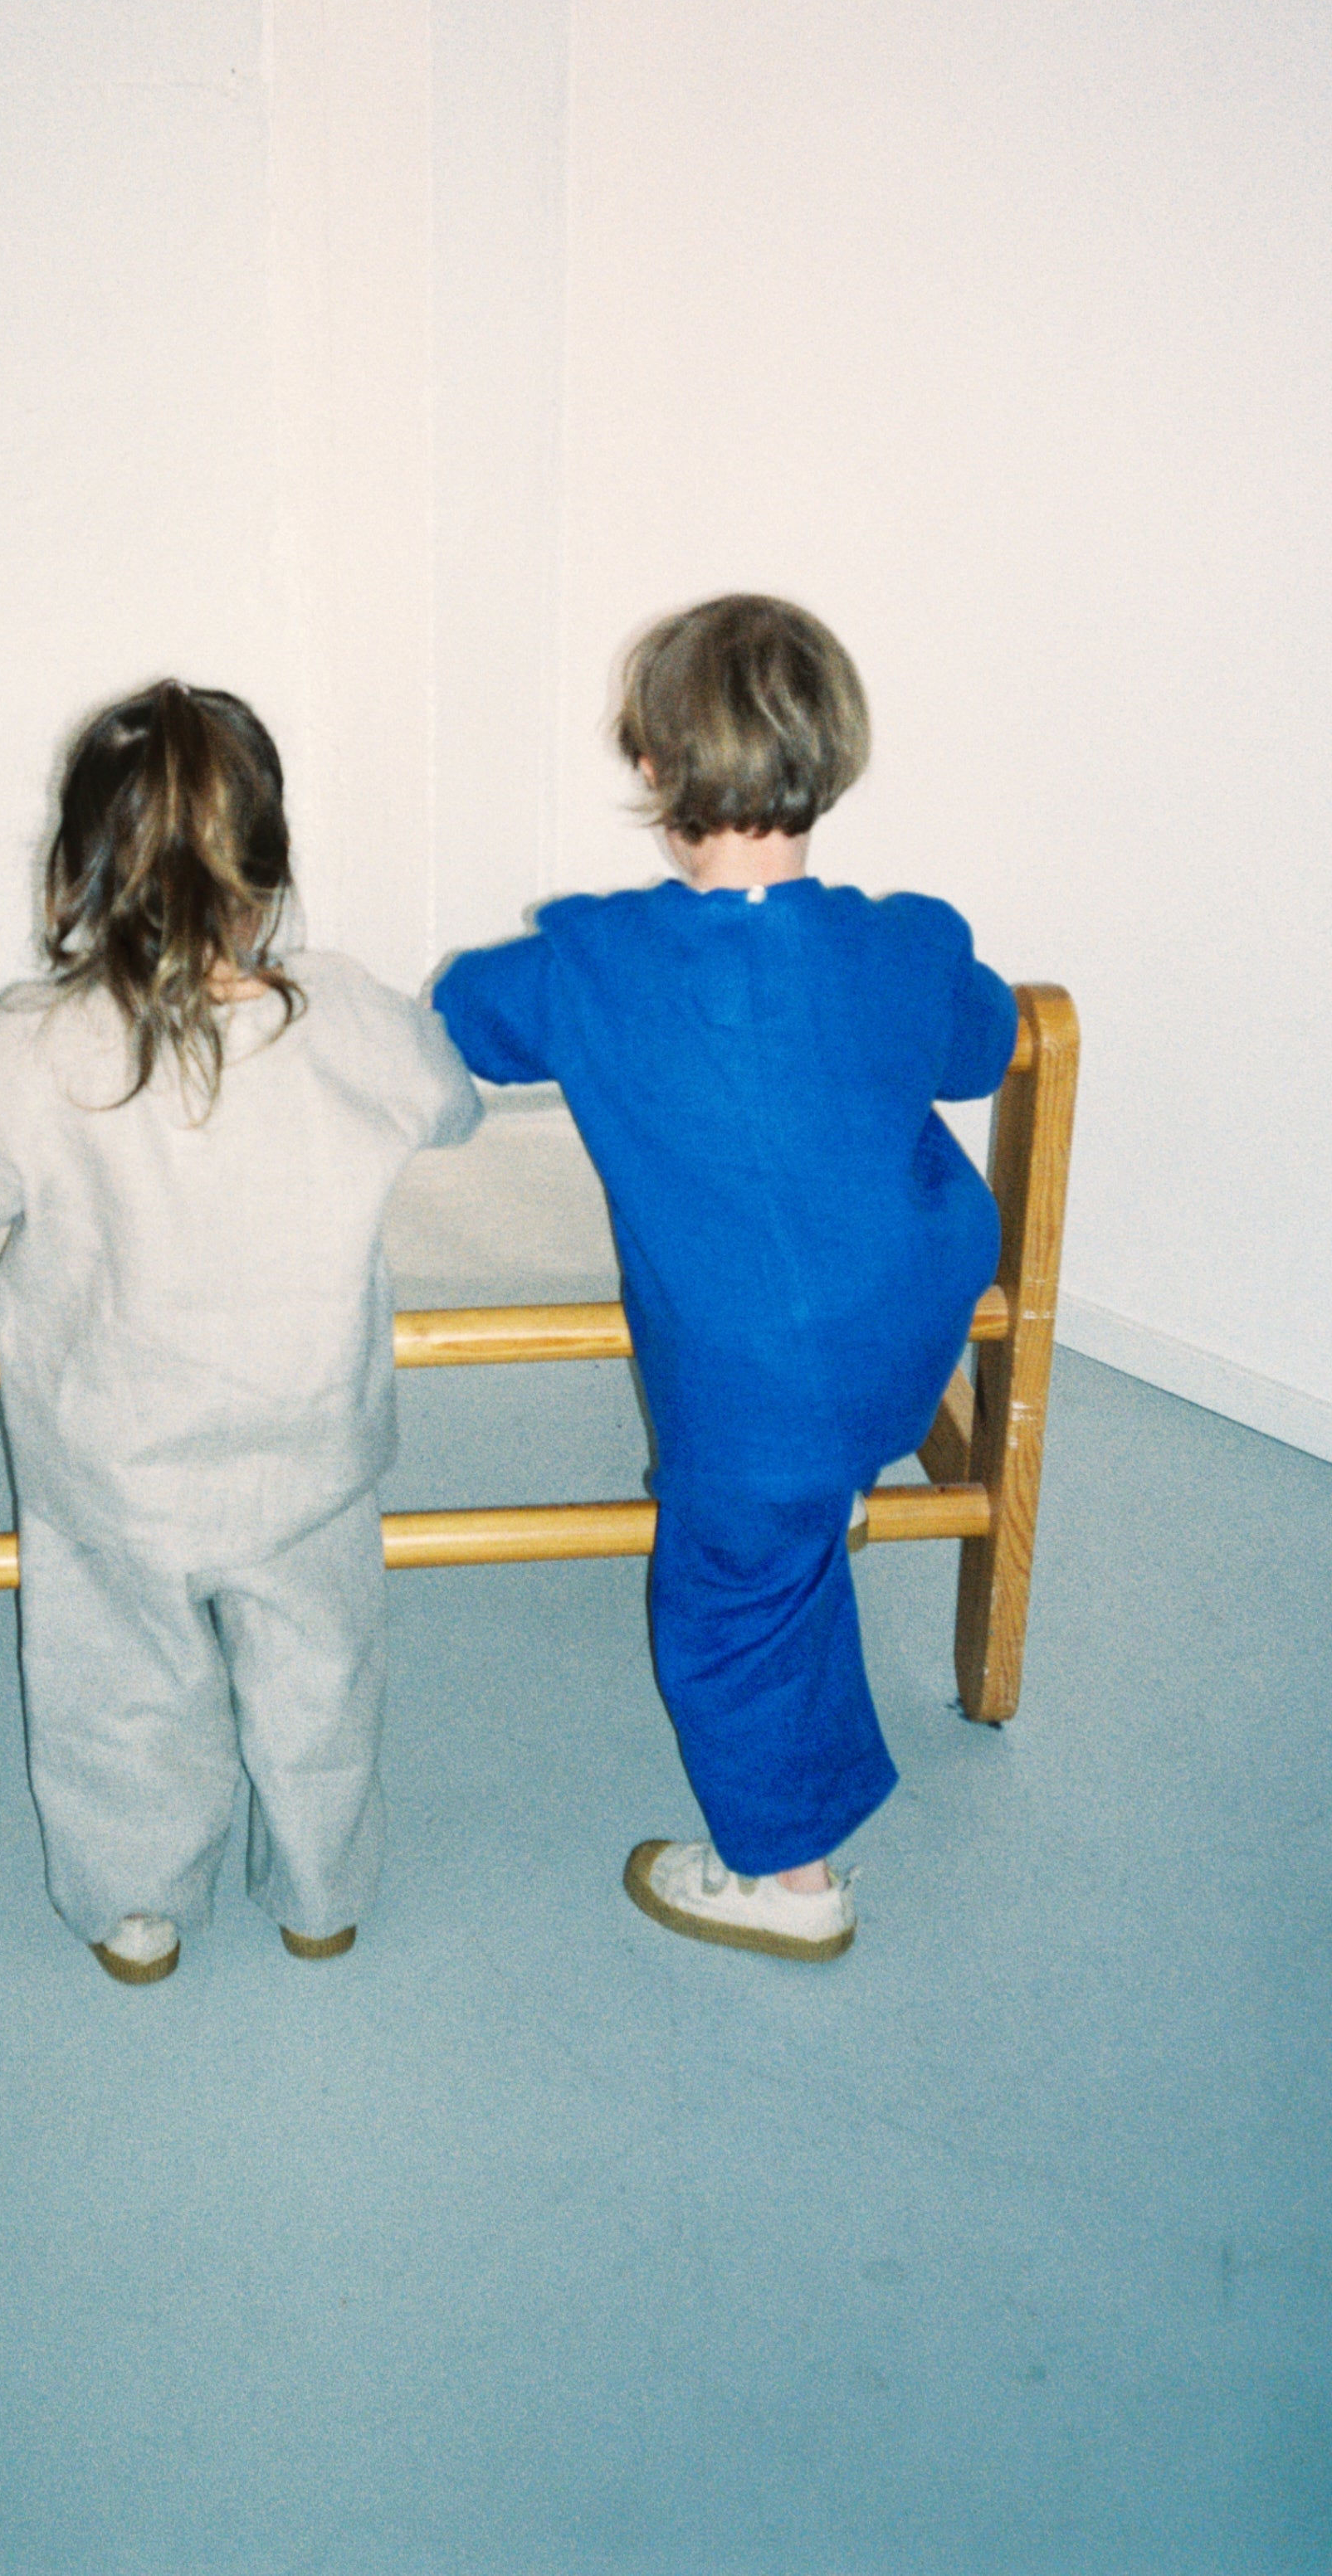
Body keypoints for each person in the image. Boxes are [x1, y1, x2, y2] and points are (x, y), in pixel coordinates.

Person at [432, 597, 1016, 1961]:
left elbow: (462, 1015)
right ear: (834, 754)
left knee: (729, 1609)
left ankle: (790, 1883)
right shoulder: (912, 943)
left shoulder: (591, 962)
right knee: (808, 1427)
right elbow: (983, 1046)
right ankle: (833, 1489)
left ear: (654, 766)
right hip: (912, 1336)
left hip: (758, 1397)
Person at [0, 681, 480, 1986]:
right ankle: (321, 1896)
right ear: (269, 868)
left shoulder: (25, 1050)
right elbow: (453, 1108)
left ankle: (137, 1909)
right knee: (321, 1673)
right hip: (310, 1451)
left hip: (109, 1467)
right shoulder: (347, 1015)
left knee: (117, 1684)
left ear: (77, 869)